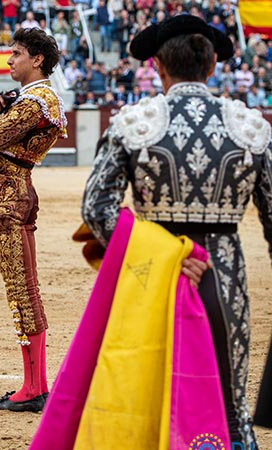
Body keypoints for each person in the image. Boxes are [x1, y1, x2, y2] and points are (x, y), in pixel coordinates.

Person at [80, 15, 269, 447]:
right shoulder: (251, 127)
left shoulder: (134, 123)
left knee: (150, 391)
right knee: (230, 403)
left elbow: (96, 208)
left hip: (151, 278)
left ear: (159, 68)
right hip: (224, 278)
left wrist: (158, 253)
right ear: (212, 68)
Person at [0, 27, 67, 412]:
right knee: (24, 288)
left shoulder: (32, 103)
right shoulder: (36, 100)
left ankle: (33, 388)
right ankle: (35, 384)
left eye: (16, 53)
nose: (9, 60)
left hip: (7, 201)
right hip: (16, 194)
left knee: (21, 291)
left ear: (36, 59)